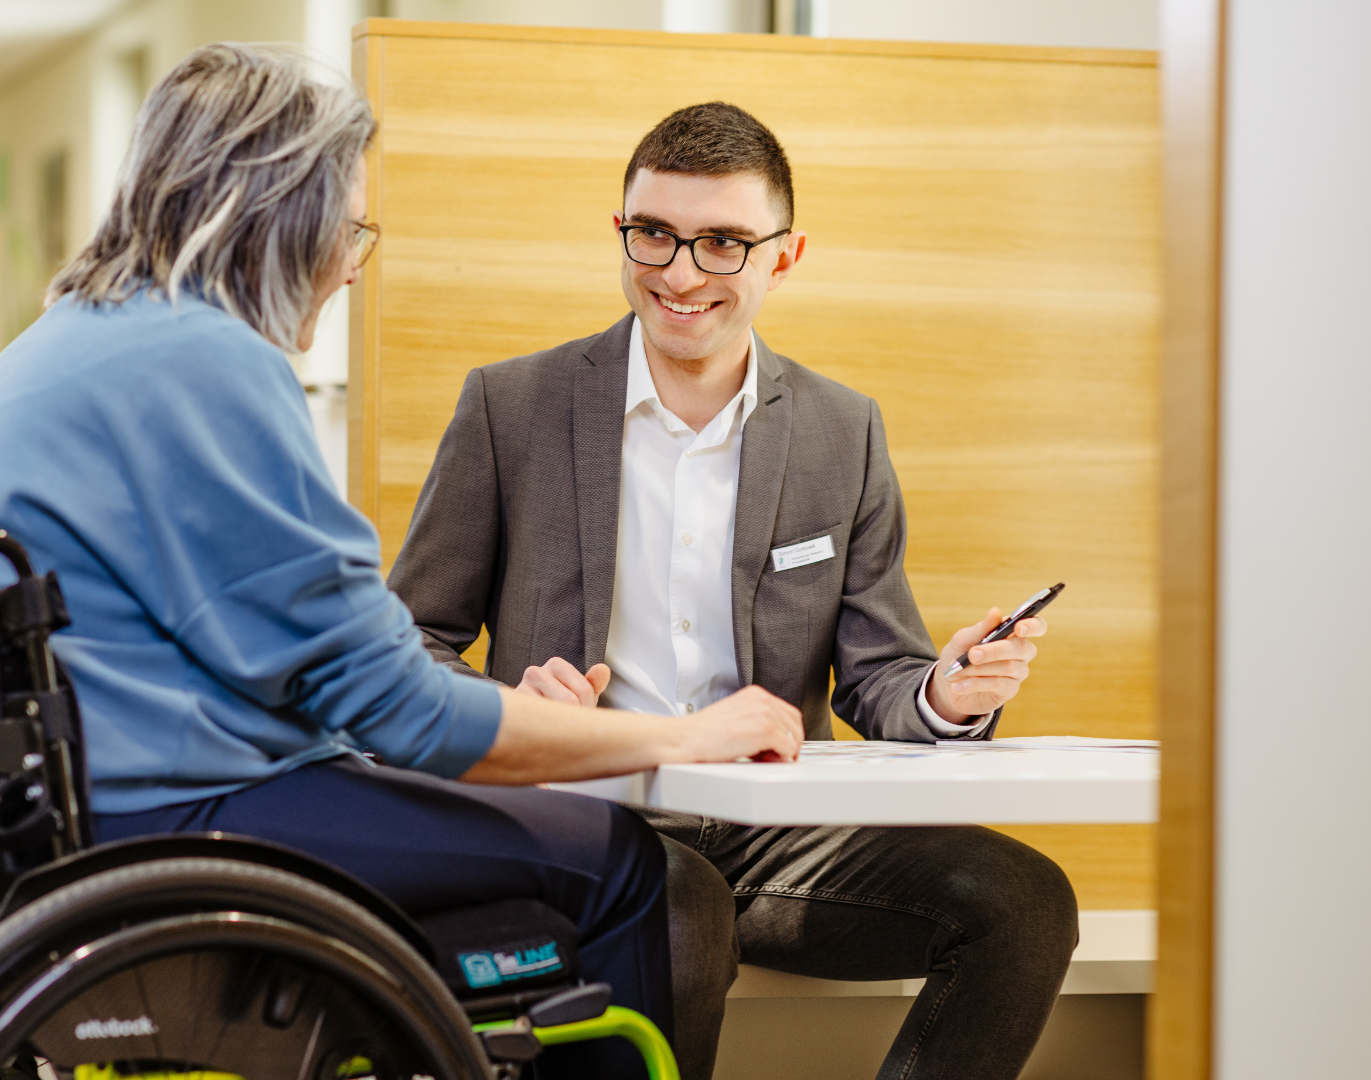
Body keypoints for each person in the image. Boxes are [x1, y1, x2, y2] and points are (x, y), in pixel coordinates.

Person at [0, 46, 803, 1080]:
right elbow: (401, 710)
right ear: (281, 210)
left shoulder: (76, 339)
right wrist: (683, 734)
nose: (354, 263)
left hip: (47, 801)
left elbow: (259, 645)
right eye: (351, 226)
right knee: (626, 867)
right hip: (159, 816)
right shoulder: (208, 362)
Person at [387, 102, 1080, 1080]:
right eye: (654, 234)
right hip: (590, 820)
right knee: (681, 907)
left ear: (784, 257)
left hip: (777, 833)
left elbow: (878, 670)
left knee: (1025, 902)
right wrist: (513, 711)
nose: (680, 273)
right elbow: (409, 644)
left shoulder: (843, 430)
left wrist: (945, 693)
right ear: (620, 231)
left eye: (722, 243)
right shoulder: (512, 406)